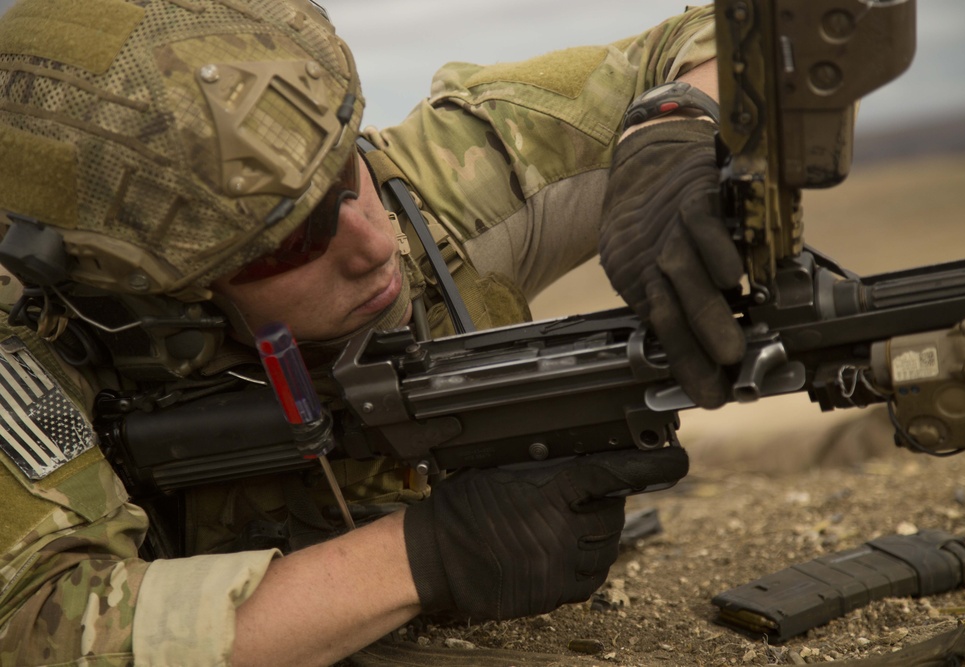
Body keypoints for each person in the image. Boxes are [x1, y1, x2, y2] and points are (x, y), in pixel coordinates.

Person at [0, 0, 742, 665]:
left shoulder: (434, 184)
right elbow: (42, 630)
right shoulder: (27, 357)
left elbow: (750, 35)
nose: (374, 243)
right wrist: (421, 557)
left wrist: (675, 125)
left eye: (346, 169)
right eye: (292, 243)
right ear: (170, 297)